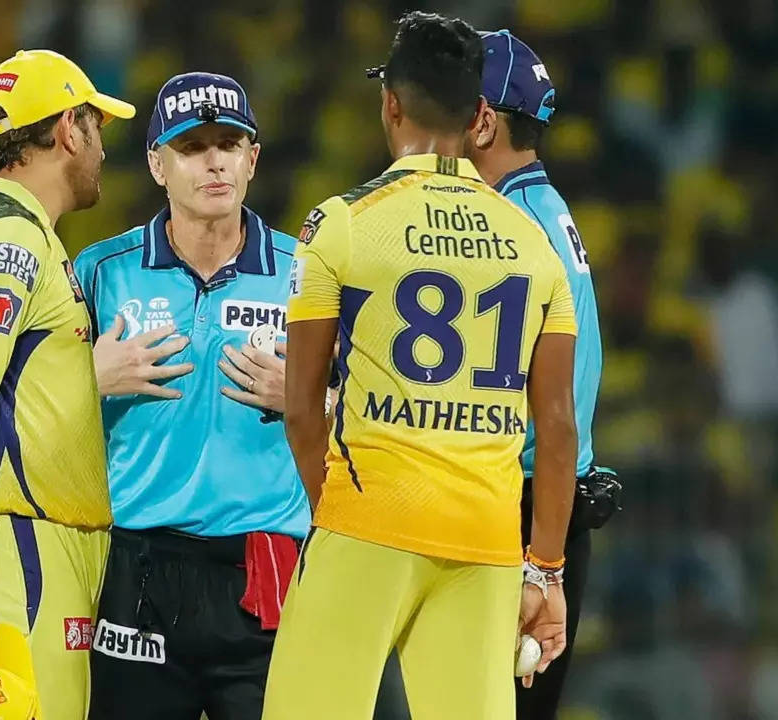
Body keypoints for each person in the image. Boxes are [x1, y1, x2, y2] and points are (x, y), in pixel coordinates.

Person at [263, 11, 579, 720]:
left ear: (391, 103)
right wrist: (546, 570)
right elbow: (557, 430)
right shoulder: (534, 246)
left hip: (368, 518)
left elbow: (301, 405)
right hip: (486, 543)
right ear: (478, 117)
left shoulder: (340, 222)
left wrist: (336, 513)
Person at [73, 72, 311, 720]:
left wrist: (312, 396)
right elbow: (15, 407)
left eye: (229, 143)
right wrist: (81, 379)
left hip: (264, 568)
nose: (213, 160)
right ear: (156, 163)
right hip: (139, 568)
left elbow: (371, 414)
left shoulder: (309, 276)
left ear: (252, 159)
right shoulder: (99, 271)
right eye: (191, 145)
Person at [0, 49, 134, 720]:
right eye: (97, 127)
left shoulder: (9, 233)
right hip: (18, 560)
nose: (101, 147)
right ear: (70, 128)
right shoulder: (6, 245)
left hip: (37, 553)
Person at [465, 29, 616, 719]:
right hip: (553, 504)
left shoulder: (502, 224)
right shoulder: (545, 207)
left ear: (483, 120)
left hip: (522, 510)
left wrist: (539, 561)